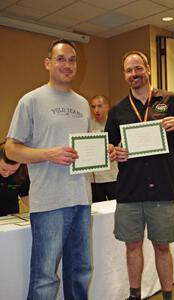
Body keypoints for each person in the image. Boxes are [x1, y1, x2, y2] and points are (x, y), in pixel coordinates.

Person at [5, 39, 114, 300]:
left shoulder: (82, 104)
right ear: (48, 63)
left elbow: (85, 148)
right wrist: (47, 154)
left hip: (81, 199)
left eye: (72, 59)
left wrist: (103, 151)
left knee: (80, 272)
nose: (67, 64)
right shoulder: (30, 100)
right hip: (48, 203)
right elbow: (11, 149)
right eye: (61, 58)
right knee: (45, 278)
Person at [105, 50, 174, 300]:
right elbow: (108, 147)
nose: (134, 74)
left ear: (148, 69)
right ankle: (135, 295)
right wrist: (113, 152)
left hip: (162, 188)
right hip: (129, 190)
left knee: (162, 246)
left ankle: (167, 296)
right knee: (132, 246)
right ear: (124, 75)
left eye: (138, 68)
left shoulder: (171, 100)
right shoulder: (117, 110)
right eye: (128, 70)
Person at [90, 95, 118, 202]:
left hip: (113, 176)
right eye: (93, 107)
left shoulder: (115, 124)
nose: (96, 110)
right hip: (94, 179)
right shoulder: (88, 125)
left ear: (107, 107)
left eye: (99, 106)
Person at [0, 141, 29, 216]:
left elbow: (25, 195)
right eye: (3, 169)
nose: (7, 174)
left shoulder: (22, 172)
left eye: (13, 171)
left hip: (11, 218)